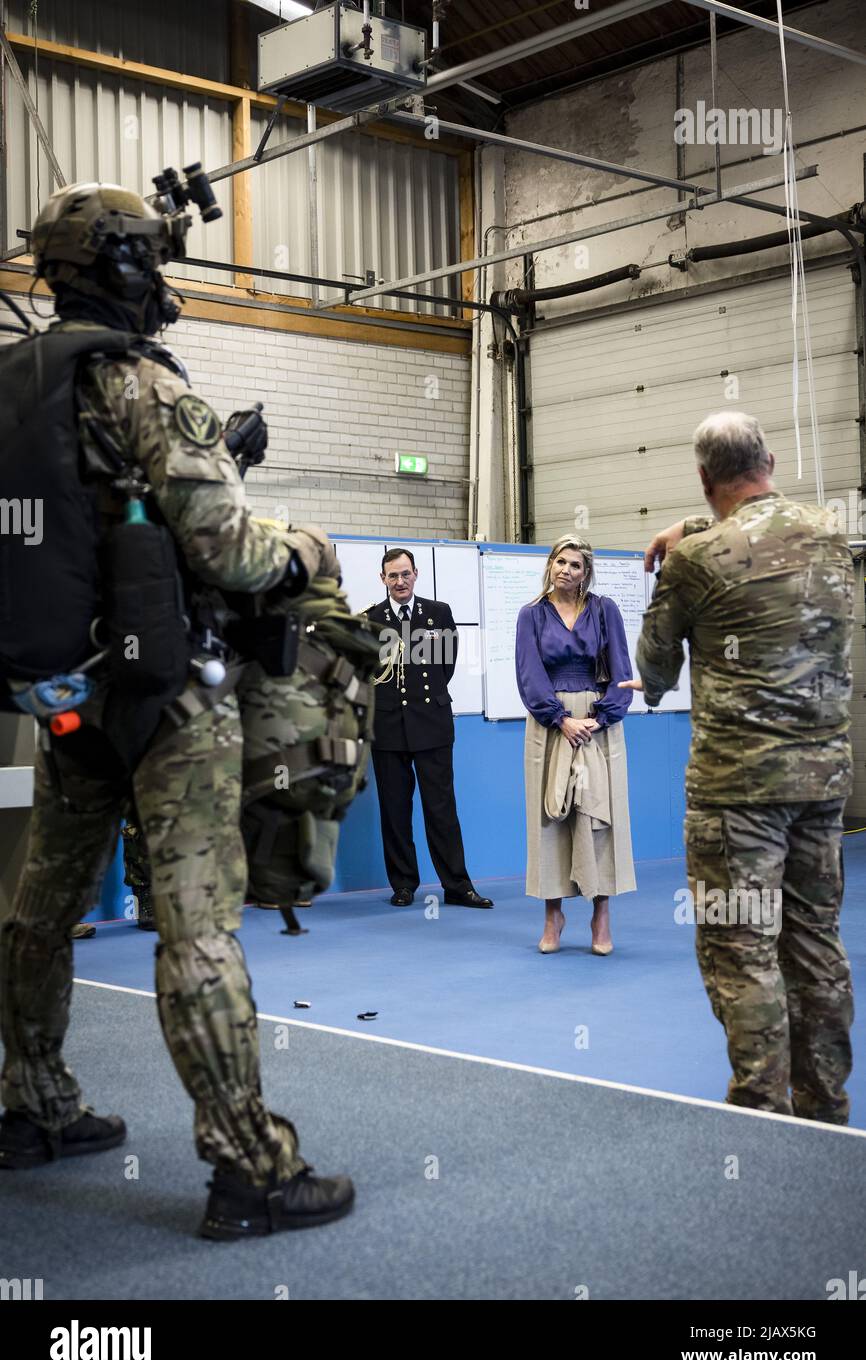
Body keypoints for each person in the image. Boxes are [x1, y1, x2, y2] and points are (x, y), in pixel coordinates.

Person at [0, 179, 354, 1237]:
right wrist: (306, 544)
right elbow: (232, 555)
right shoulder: (142, 385)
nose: (161, 275)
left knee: (38, 911)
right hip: (171, 700)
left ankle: (31, 1105)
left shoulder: (17, 384)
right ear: (117, 264)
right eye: (148, 256)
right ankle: (251, 1167)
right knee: (199, 931)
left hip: (67, 697)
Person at [621, 410, 854, 1121]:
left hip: (737, 797)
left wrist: (687, 536)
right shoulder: (831, 534)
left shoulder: (696, 563)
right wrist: (694, 527)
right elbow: (767, 536)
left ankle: (759, 1110)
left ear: (702, 479)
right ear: (771, 462)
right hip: (821, 786)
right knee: (815, 945)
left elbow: (653, 668)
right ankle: (824, 1108)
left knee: (741, 949)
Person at [516, 535, 635, 954]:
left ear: (586, 572)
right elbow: (529, 675)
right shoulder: (531, 615)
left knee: (599, 816)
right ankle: (553, 915)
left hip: (598, 725)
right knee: (551, 817)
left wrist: (598, 718)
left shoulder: (605, 611)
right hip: (550, 727)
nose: (566, 570)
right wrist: (561, 719)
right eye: (560, 562)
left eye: (575, 565)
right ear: (550, 565)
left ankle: (601, 914)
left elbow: (622, 673)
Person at [364, 548, 493, 910]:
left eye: (405, 574)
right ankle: (403, 884)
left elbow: (445, 667)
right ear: (383, 579)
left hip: (431, 725)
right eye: (393, 576)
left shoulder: (438, 614)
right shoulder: (371, 620)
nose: (400, 581)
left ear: (416, 574)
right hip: (388, 728)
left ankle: (457, 885)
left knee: (441, 809)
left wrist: (426, 702)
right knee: (394, 810)